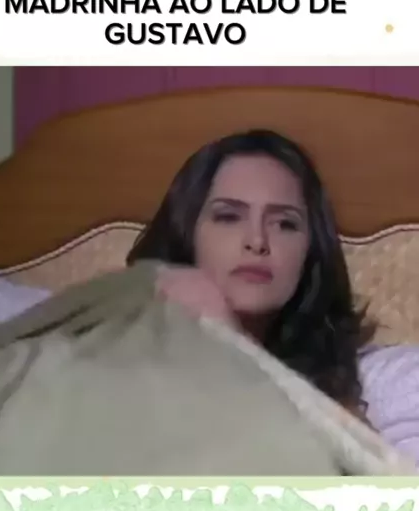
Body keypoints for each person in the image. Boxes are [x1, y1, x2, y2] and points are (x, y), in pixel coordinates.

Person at [128, 129, 419, 463]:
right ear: (186, 236)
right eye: (228, 217)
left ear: (310, 251)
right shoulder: (113, 367)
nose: (257, 241)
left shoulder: (392, 380)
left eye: (284, 224)